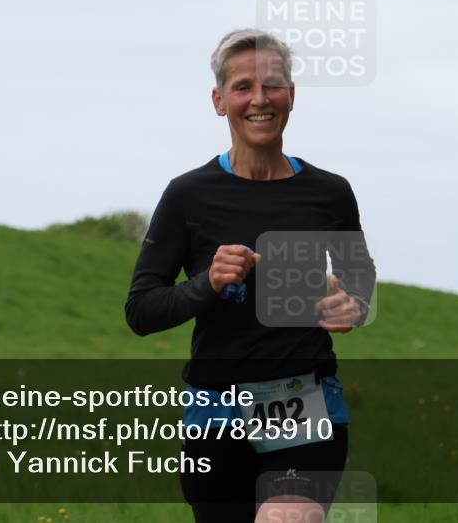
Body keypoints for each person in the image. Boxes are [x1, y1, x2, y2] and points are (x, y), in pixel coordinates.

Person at [126, 29, 376, 523]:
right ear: (220, 101)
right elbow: (141, 311)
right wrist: (208, 285)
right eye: (242, 87)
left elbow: (359, 276)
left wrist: (354, 305)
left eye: (273, 85)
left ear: (291, 96)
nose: (259, 99)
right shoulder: (188, 195)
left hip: (303, 403)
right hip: (214, 413)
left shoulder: (329, 193)